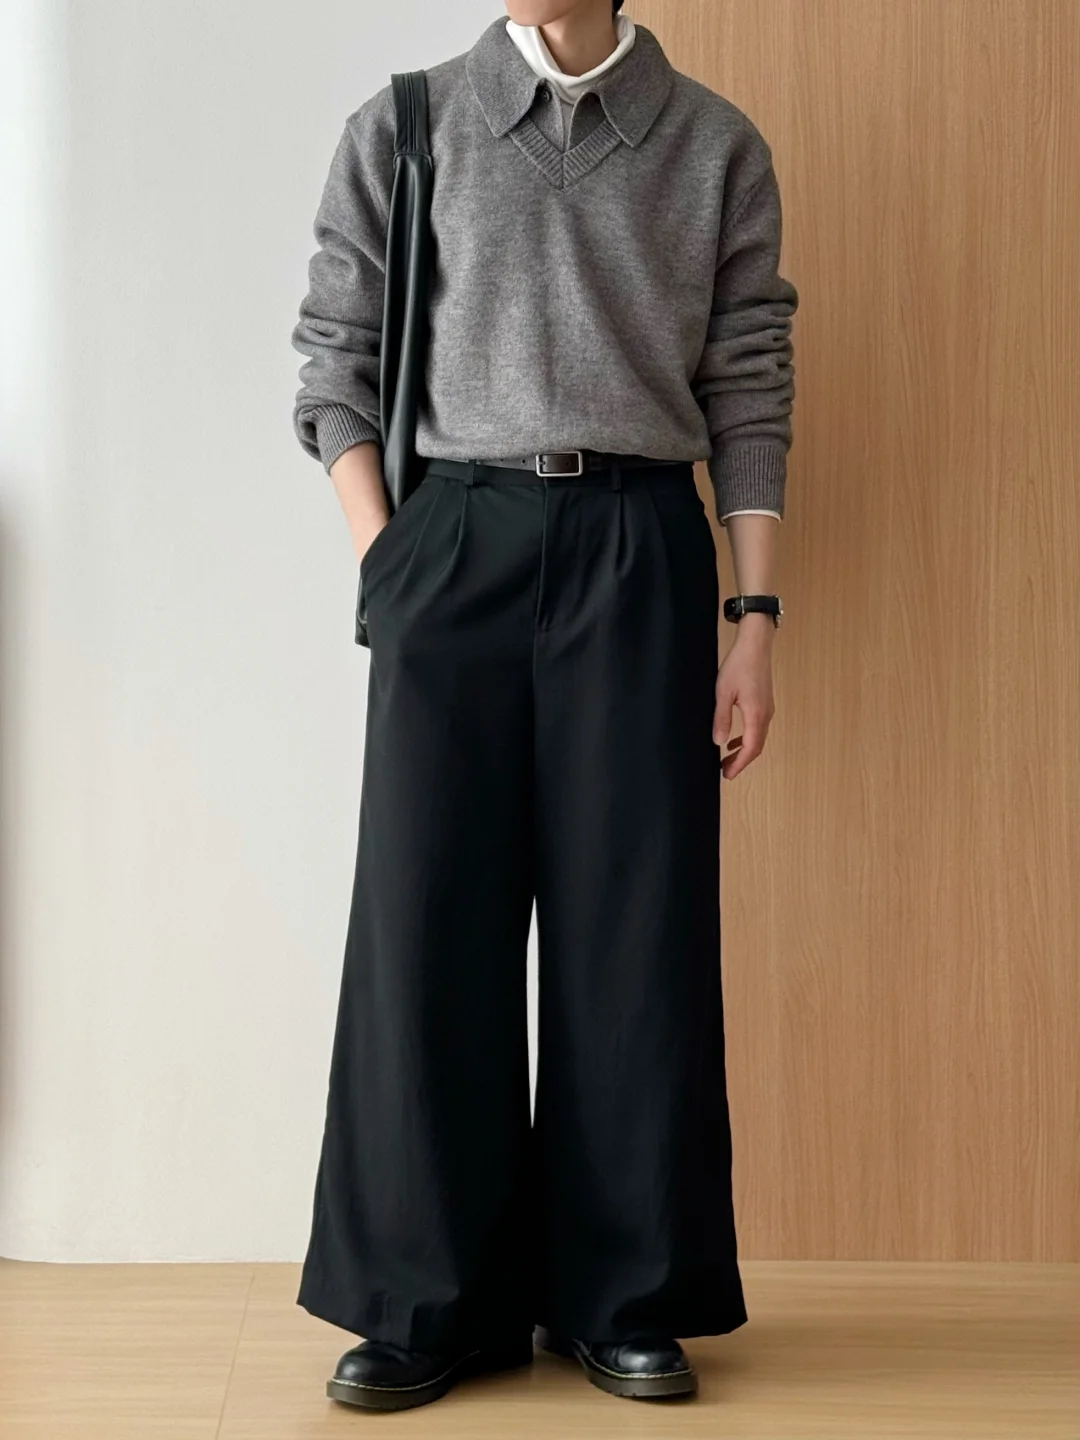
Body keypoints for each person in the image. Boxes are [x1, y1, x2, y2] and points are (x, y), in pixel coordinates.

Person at [289, 0, 797, 1412]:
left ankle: (618, 1294)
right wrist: (388, 557)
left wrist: (755, 621)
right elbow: (333, 361)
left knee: (634, 928)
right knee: (425, 915)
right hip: (452, 537)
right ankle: (424, 1299)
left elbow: (750, 386)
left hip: (641, 540)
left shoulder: (713, 146)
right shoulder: (406, 125)